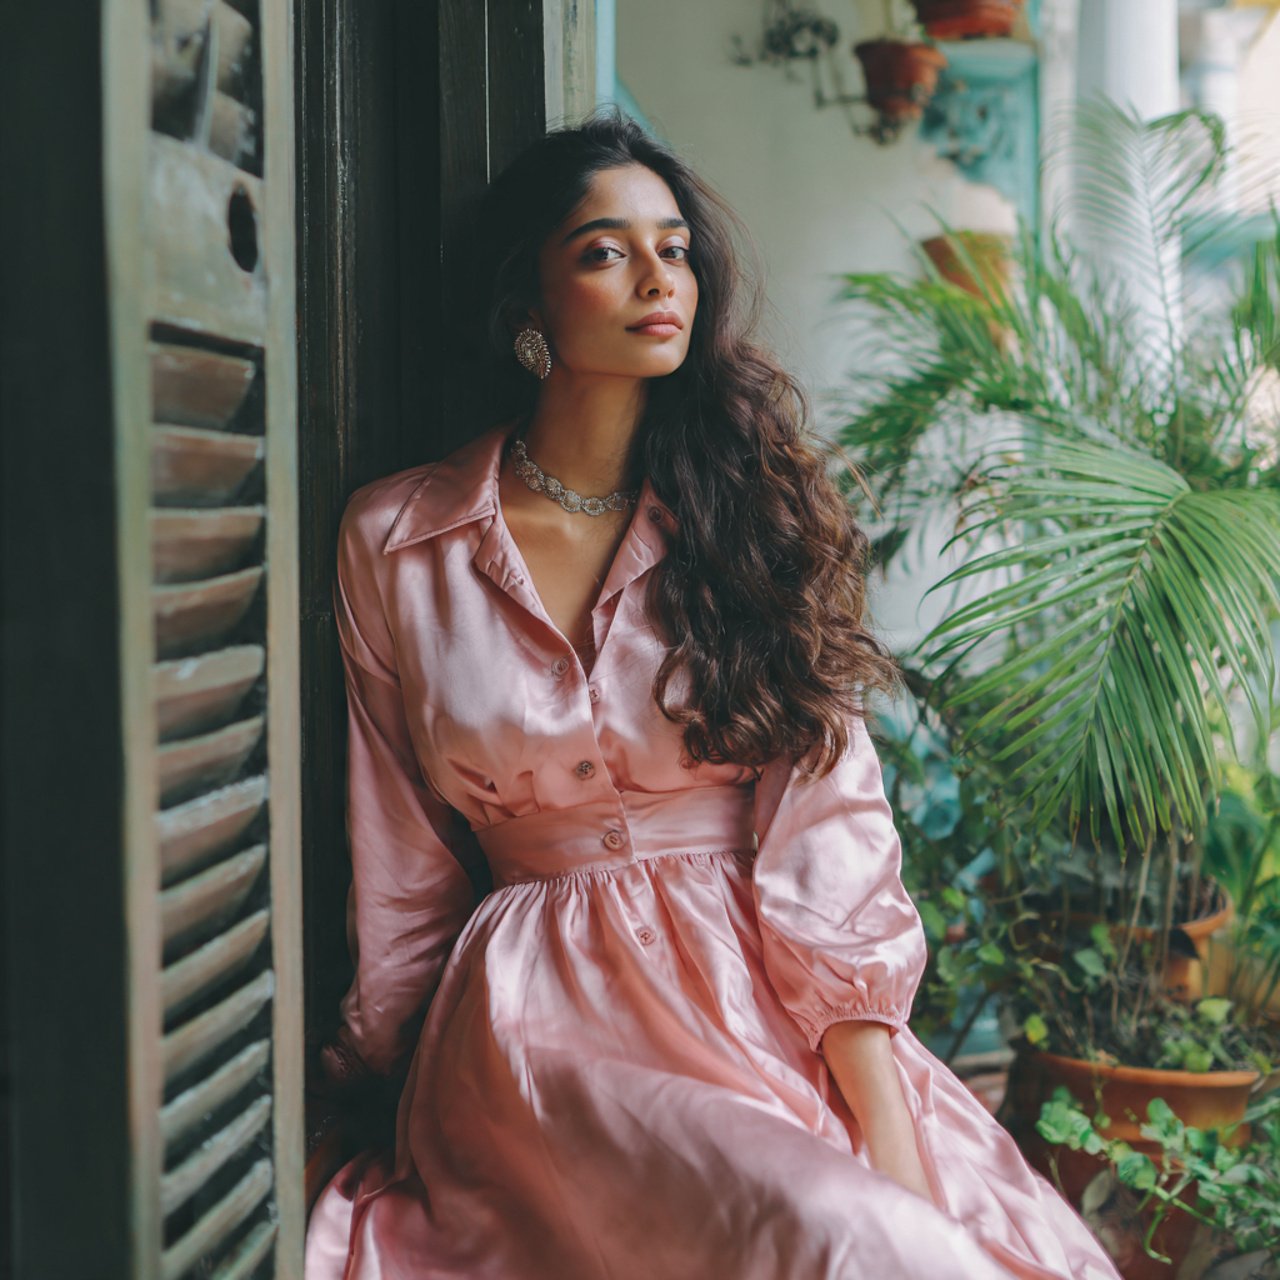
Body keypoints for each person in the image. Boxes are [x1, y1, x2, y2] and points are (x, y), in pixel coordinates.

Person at [303, 109, 1122, 1280]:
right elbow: (402, 863)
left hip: (763, 996)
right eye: (603, 249)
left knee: (917, 1237)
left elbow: (829, 833)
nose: (656, 277)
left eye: (675, 247)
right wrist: (371, 1080)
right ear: (525, 301)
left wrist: (887, 1130)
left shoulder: (749, 521)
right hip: (539, 1026)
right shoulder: (397, 539)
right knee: (832, 1236)